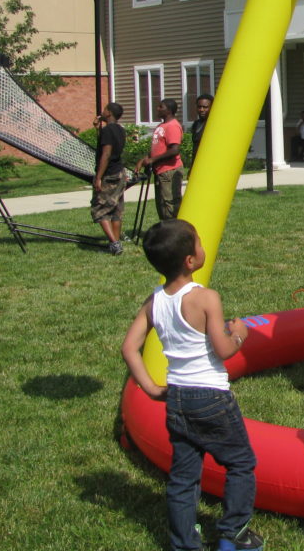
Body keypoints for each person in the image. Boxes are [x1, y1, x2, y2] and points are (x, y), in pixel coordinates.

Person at [121, 219, 264, 551]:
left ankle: (184, 544)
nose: (202, 246)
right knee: (240, 463)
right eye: (199, 242)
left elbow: (129, 348)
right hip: (211, 398)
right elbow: (225, 350)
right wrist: (240, 331)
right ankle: (234, 534)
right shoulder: (205, 299)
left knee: (184, 478)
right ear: (190, 260)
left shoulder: (154, 301)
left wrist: (153, 389)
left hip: (177, 398)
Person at [137, 99, 184, 220]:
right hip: (160, 171)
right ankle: (165, 230)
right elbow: (157, 148)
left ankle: (174, 230)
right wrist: (144, 160)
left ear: (169, 110)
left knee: (170, 203)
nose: (157, 109)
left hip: (170, 171)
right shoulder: (161, 126)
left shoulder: (173, 126)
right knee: (161, 204)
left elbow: (174, 150)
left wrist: (153, 160)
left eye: (160, 107)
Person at [91, 102, 127, 255]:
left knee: (99, 210)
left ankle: (114, 243)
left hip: (109, 174)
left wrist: (98, 177)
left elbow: (105, 154)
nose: (102, 111)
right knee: (116, 210)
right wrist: (97, 129)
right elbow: (106, 145)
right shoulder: (119, 129)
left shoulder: (107, 130)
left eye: (105, 109)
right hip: (120, 172)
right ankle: (115, 244)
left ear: (109, 113)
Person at [190, 94, 213, 162]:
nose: (201, 110)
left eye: (205, 107)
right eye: (199, 107)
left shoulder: (214, 125)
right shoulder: (196, 124)